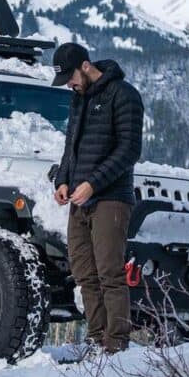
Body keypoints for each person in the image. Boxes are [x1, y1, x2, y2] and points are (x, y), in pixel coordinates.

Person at [50, 42, 144, 354]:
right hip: (79, 200)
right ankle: (96, 337)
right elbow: (71, 147)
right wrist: (63, 179)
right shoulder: (79, 99)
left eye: (71, 77)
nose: (70, 84)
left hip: (111, 199)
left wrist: (93, 183)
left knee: (109, 273)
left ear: (86, 66)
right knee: (83, 273)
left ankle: (116, 345)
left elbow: (129, 150)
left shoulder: (124, 95)